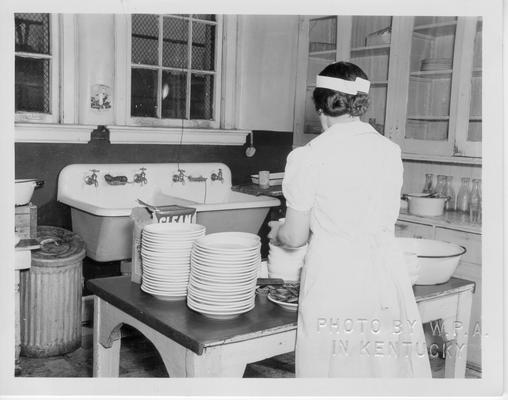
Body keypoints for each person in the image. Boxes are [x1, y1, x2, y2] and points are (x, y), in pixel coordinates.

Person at [268, 61, 432, 378]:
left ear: (319, 104)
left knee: (332, 369)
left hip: (335, 277)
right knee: (381, 368)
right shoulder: (388, 150)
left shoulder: (310, 156)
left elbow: (295, 237)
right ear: (359, 104)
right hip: (384, 274)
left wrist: (279, 232)